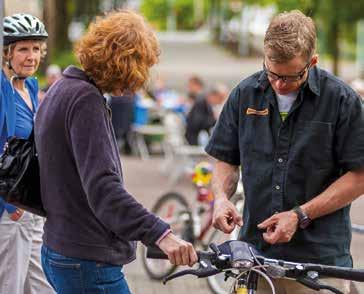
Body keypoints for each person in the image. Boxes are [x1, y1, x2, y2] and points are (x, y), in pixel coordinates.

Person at [35, 10, 197, 294]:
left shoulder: (62, 88)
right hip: (87, 259)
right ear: (123, 64)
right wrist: (160, 233)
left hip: (60, 246)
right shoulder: (85, 100)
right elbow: (104, 190)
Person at [206, 10, 364, 294]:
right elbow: (225, 160)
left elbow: (360, 177)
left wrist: (300, 215)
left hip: (320, 263)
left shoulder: (343, 101)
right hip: (255, 259)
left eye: (291, 76)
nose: (279, 84)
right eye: (272, 72)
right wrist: (219, 198)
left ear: (312, 62)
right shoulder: (244, 94)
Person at [0, 13, 54, 294]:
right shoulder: (1, 89)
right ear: (7, 52)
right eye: (23, 48)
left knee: (45, 285)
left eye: (36, 48)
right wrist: (9, 203)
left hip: (32, 204)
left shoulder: (31, 86)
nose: (31, 56)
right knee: (10, 285)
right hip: (10, 210)